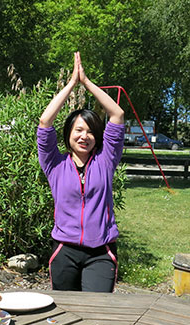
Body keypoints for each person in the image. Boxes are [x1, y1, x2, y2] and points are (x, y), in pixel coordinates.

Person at [37, 52, 125, 292]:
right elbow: (45, 122)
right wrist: (70, 85)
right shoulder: (54, 164)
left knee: (97, 312)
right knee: (65, 313)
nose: (83, 136)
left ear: (96, 136)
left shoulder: (106, 160)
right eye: (78, 130)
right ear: (68, 134)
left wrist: (87, 83)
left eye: (89, 131)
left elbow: (117, 114)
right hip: (65, 250)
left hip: (101, 252)